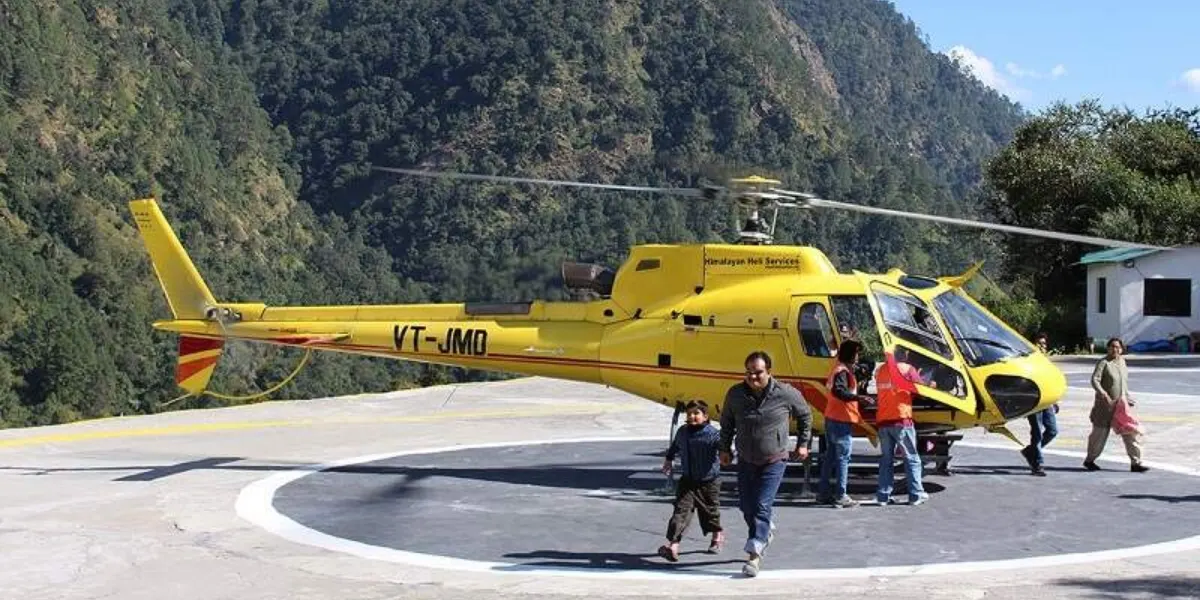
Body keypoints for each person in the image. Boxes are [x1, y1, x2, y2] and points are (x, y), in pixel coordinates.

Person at [719, 350, 813, 578]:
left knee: (762, 506)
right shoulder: (735, 394)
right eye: (749, 372)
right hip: (746, 459)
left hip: (774, 459)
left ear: (769, 372)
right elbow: (727, 422)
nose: (753, 377)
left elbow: (805, 415)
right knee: (746, 507)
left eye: (758, 372)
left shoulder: (785, 393)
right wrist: (724, 448)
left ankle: (754, 555)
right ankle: (764, 531)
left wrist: (803, 444)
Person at [657, 400, 724, 562]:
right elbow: (675, 446)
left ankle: (717, 535)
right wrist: (668, 459)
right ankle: (673, 546)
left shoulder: (712, 434)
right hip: (687, 480)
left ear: (705, 416)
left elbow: (724, 447)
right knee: (680, 512)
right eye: (689, 414)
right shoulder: (683, 431)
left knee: (710, 513)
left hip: (708, 482)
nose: (692, 416)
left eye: (696, 413)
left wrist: (726, 452)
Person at [817, 340, 873, 508]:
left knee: (830, 457)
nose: (858, 356)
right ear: (850, 354)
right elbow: (839, 391)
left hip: (832, 417)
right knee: (843, 458)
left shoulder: (839, 368)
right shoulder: (842, 371)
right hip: (841, 419)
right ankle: (841, 495)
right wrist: (859, 398)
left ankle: (823, 493)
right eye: (856, 353)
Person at [874, 347, 929, 505]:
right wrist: (931, 385)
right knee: (911, 458)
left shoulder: (881, 370)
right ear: (904, 354)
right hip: (901, 419)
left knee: (886, 460)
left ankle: (883, 496)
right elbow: (920, 390)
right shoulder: (907, 369)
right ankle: (916, 494)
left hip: (883, 420)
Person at [1084, 337, 1148, 472]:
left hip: (1121, 406)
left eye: (1118, 347)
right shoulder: (1104, 363)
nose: (1115, 349)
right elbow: (1095, 380)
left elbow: (1123, 383)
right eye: (1112, 346)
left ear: (1121, 349)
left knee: (1130, 432)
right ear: (1108, 348)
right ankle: (1090, 460)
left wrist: (1127, 397)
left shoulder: (1122, 362)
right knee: (1099, 434)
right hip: (1105, 407)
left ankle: (1136, 463)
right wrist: (1103, 393)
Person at [1021, 332, 1059, 476]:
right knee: (1037, 432)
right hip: (1034, 402)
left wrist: (1055, 400)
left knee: (1052, 431)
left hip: (1047, 401)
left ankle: (1030, 451)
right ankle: (1038, 464)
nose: (1042, 346)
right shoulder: (1027, 362)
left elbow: (1051, 381)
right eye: (1039, 343)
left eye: (1044, 343)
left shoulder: (1046, 362)